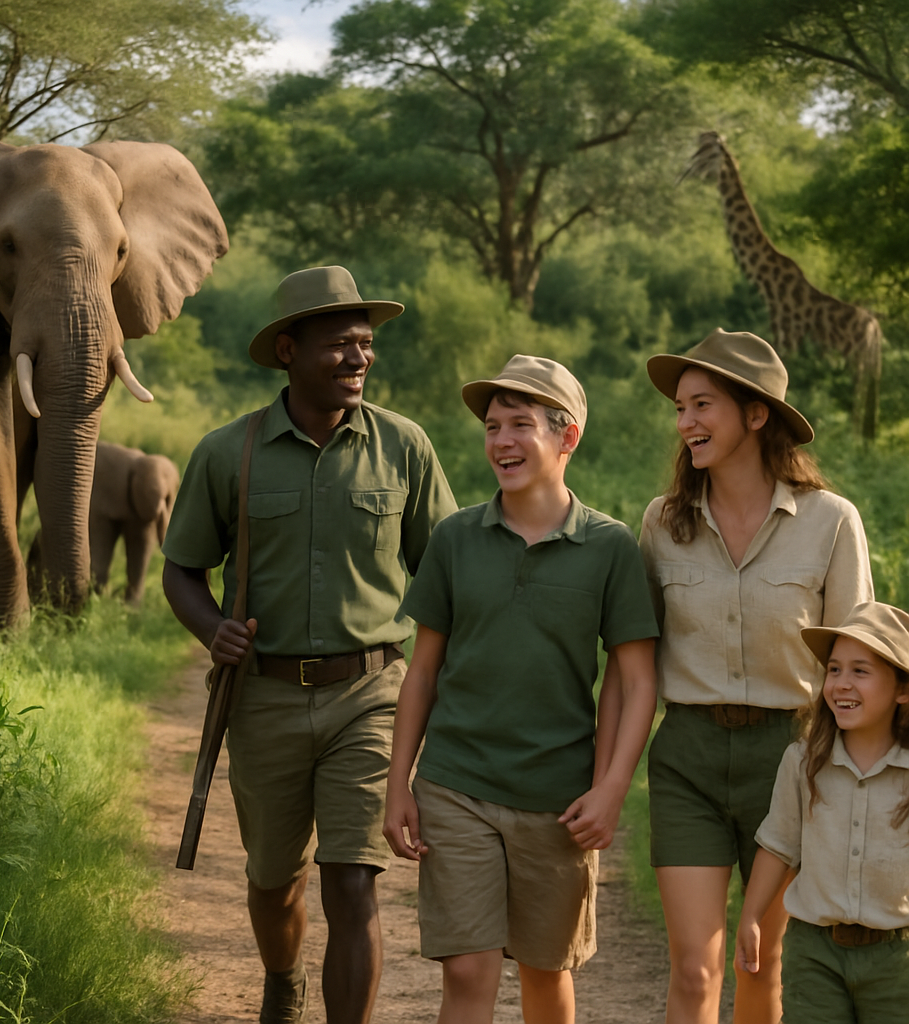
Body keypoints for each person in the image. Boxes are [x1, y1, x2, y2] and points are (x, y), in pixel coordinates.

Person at [161, 265, 458, 1024]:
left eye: (365, 345)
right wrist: (212, 628)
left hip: (370, 695)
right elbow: (182, 571)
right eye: (339, 346)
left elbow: (448, 577)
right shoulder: (231, 452)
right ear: (288, 351)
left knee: (353, 880)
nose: (358, 358)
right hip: (262, 698)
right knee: (272, 881)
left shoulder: (405, 448)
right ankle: (281, 981)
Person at [383, 354, 659, 1024]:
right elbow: (422, 672)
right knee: (469, 971)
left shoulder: (610, 548)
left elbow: (636, 678)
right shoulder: (455, 539)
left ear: (567, 437)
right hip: (456, 786)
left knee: (545, 972)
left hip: (557, 801)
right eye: (493, 426)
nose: (501, 441)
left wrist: (611, 787)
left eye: (521, 425)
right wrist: (400, 784)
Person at [638, 329, 874, 1024]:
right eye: (680, 408)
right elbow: (637, 665)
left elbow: (855, 669)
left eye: (702, 405)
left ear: (757, 414)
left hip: (794, 762)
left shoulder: (832, 523)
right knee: (694, 967)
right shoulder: (661, 523)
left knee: (763, 966)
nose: (685, 424)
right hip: (689, 761)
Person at [736, 601, 909, 1024]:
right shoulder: (803, 761)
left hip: (898, 960)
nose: (842, 684)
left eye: (860, 671)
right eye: (834, 669)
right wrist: (751, 916)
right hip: (815, 952)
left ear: (903, 690)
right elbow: (778, 843)